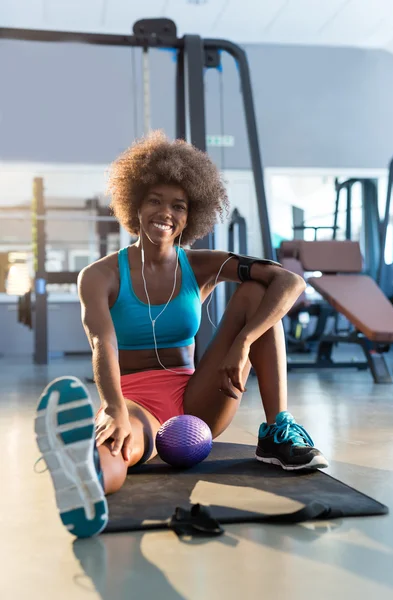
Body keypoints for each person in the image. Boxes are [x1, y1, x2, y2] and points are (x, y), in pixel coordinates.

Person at [34, 131, 328, 538]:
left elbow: (289, 282)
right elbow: (103, 344)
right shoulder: (99, 275)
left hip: (198, 398)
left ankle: (277, 430)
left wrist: (243, 343)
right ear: (135, 204)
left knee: (258, 293)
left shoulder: (203, 265)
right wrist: (114, 406)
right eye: (154, 200)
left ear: (191, 216)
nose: (165, 213)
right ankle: (88, 482)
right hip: (135, 399)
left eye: (179, 205)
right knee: (121, 447)